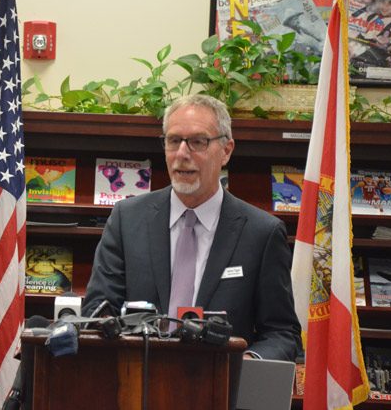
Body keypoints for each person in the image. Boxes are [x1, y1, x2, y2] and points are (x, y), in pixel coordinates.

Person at [82, 94, 301, 361]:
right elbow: (97, 308)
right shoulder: (127, 218)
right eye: (174, 141)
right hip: (136, 385)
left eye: (198, 142)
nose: (182, 154)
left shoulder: (261, 233)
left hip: (219, 389)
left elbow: (281, 332)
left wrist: (249, 362)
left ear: (226, 150)